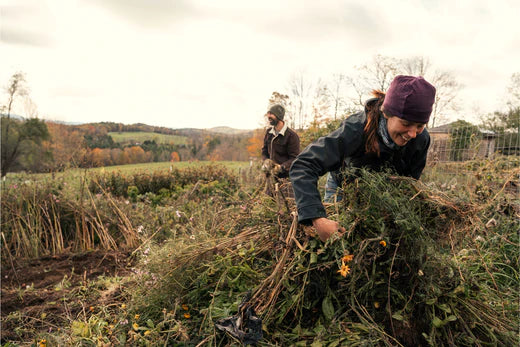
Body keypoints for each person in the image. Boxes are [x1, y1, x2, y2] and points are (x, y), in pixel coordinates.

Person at [289, 75, 436, 242]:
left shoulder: (420, 139)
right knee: (340, 243)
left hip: (381, 194)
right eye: (406, 123)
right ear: (387, 113)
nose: (412, 133)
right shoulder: (355, 130)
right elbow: (304, 164)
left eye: (420, 125)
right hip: (343, 188)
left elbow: (408, 184)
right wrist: (318, 219)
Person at [261, 104, 300, 179]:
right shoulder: (269, 132)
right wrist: (265, 161)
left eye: (271, 114)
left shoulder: (291, 136)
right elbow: (264, 150)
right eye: (268, 114)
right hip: (270, 177)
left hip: (285, 179)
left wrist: (281, 167)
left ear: (278, 116)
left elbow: (294, 158)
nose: (268, 116)